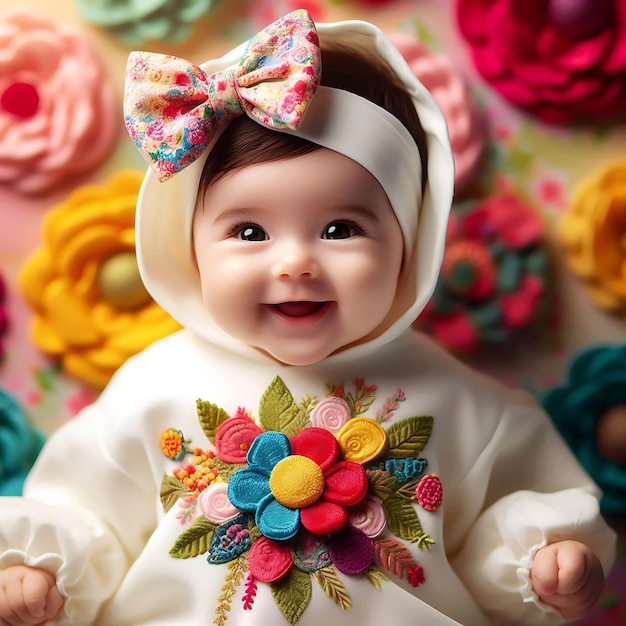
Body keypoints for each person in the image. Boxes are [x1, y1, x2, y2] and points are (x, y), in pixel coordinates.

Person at [0, 10, 616, 626]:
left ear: (411, 245)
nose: (295, 262)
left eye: (339, 229)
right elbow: (90, 518)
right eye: (249, 231)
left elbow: (495, 526)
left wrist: (539, 561)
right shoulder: (151, 387)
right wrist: (44, 572)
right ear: (190, 246)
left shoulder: (461, 403)